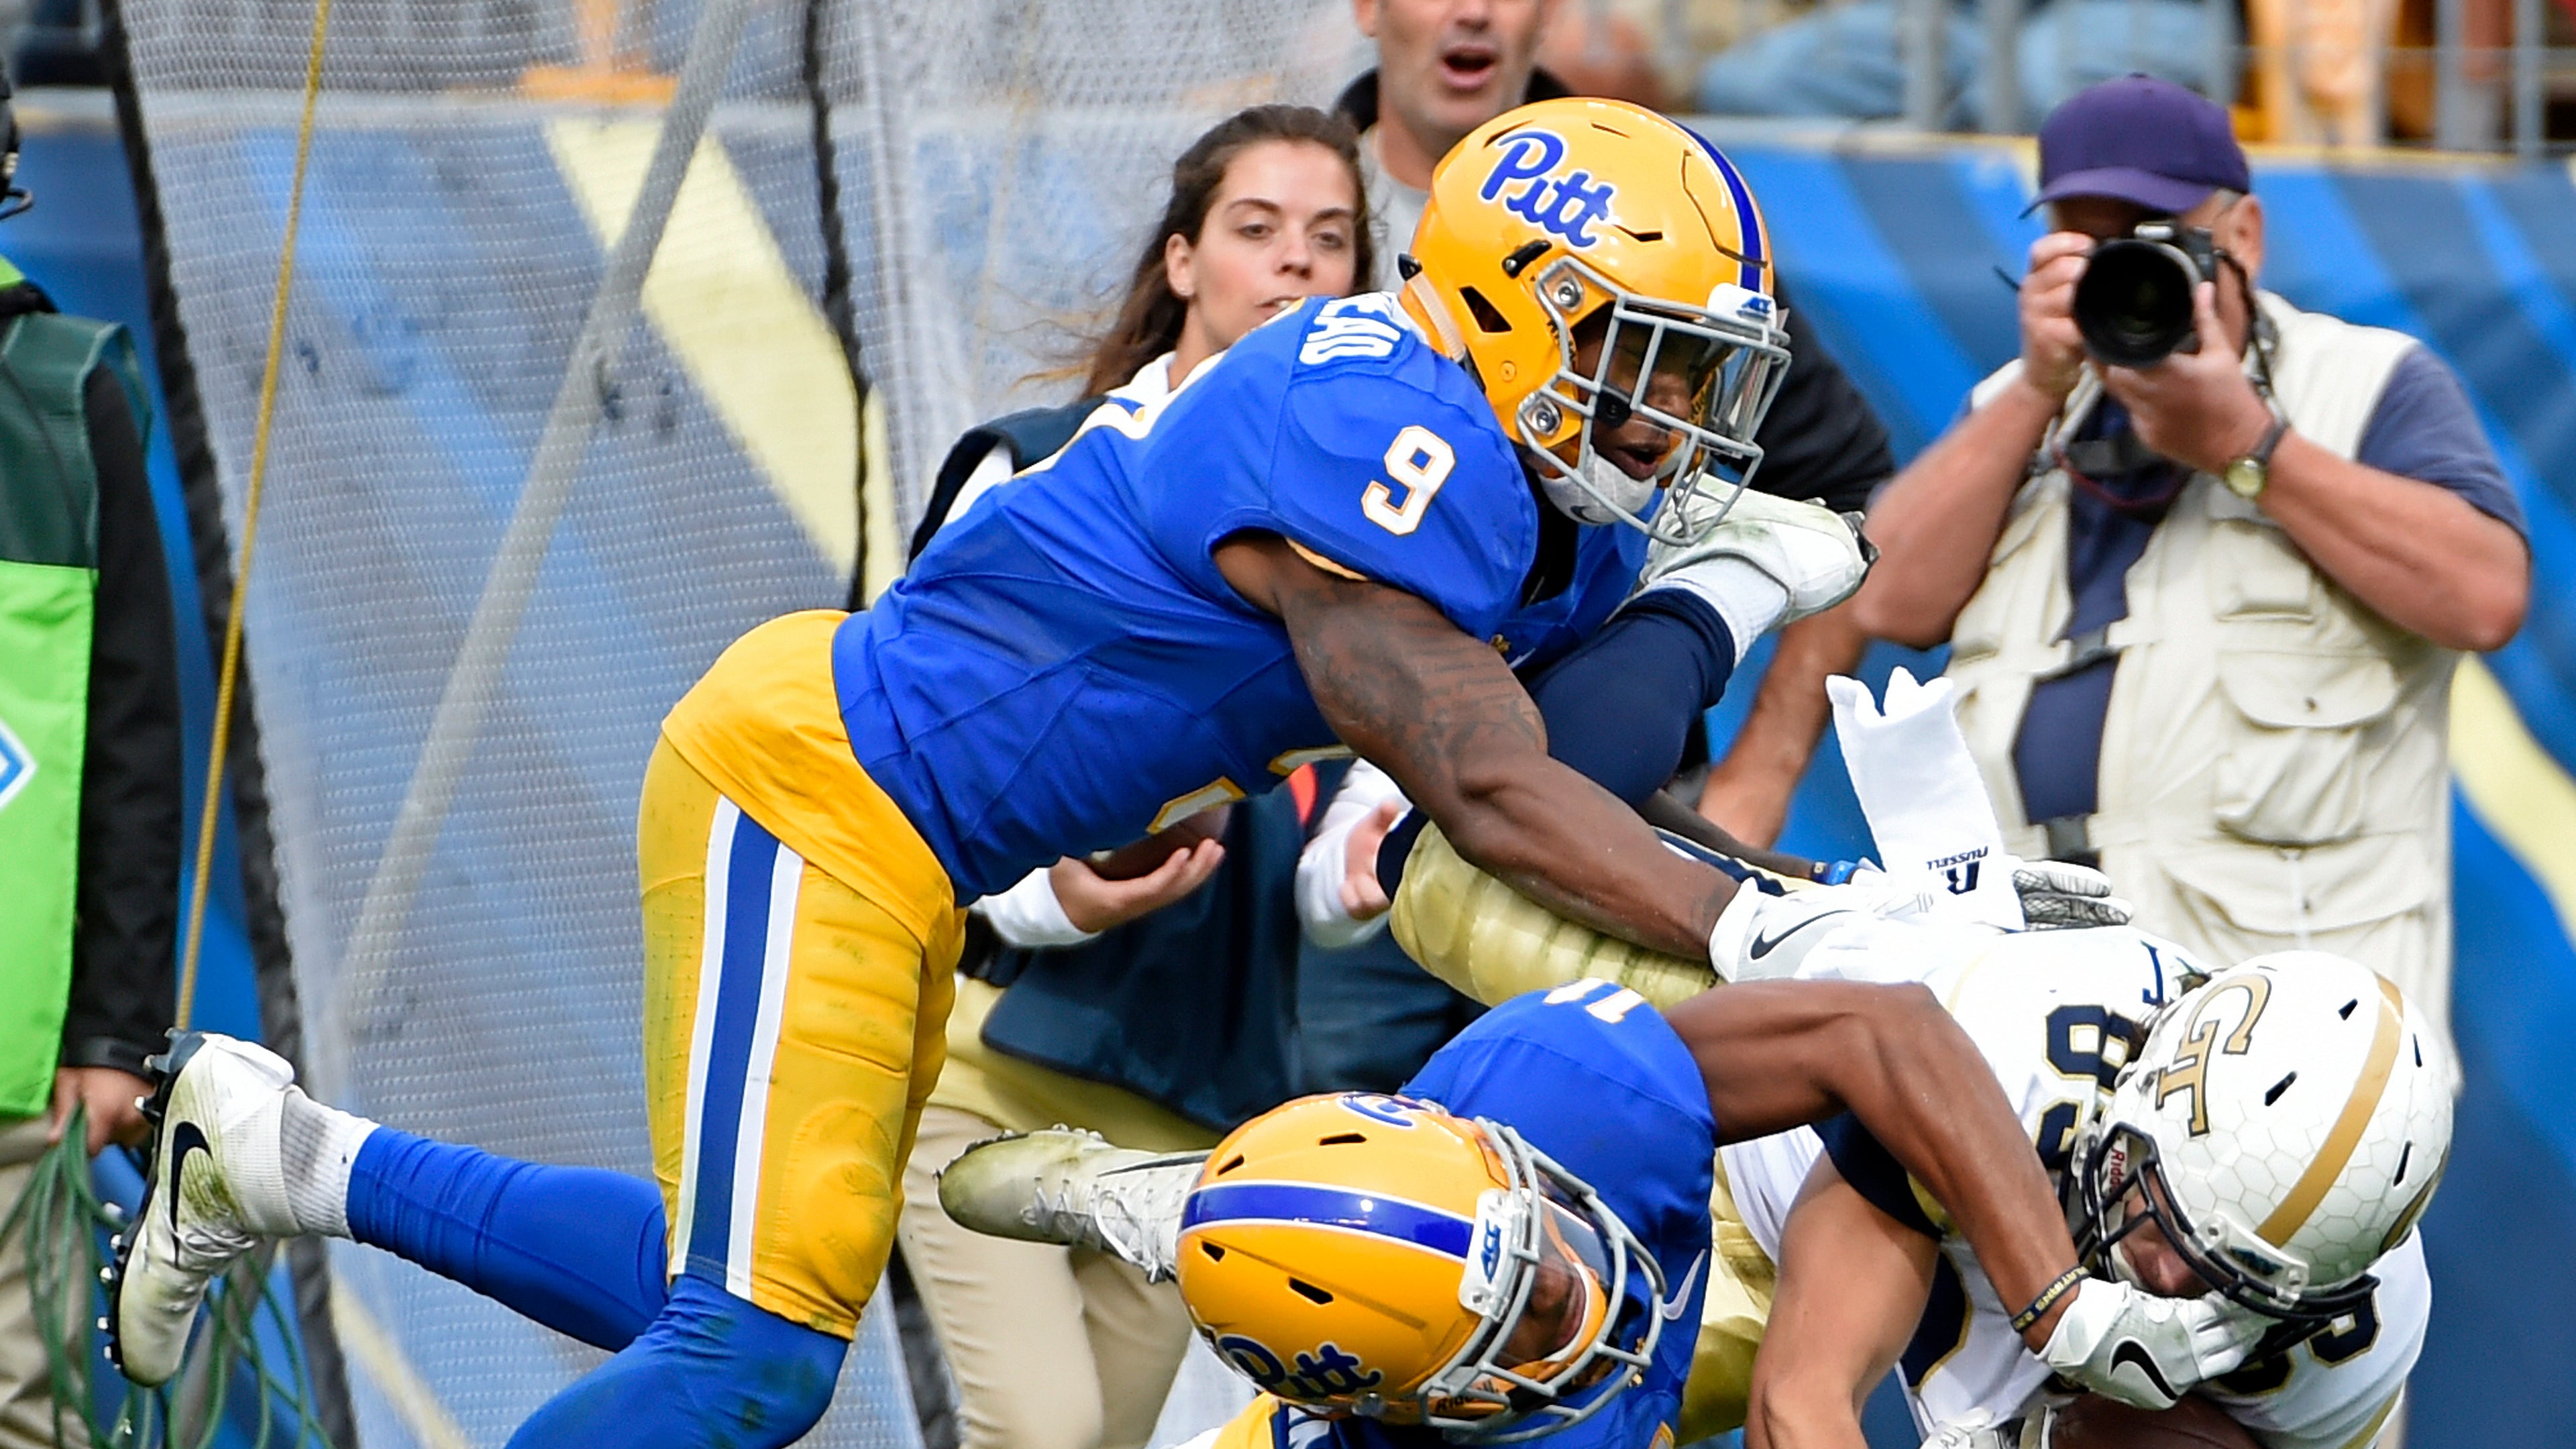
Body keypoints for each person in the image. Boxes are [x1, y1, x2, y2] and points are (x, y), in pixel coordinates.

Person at [111, 96, 1885, 1449]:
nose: (1671, 418)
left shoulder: (1502, 472)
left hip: (915, 851)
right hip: (820, 790)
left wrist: (1707, 625)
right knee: (752, 1355)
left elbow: (1565, 770)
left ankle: (281, 1153)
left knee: (724, 1282)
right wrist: (1749, 930)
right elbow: (1493, 793)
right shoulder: (1374, 417)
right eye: (1642, 358)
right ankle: (281, 1156)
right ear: (1516, 307)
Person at [1850, 74, 2528, 1065]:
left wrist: (2250, 446)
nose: (2126, 269)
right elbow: (1888, 594)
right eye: (2092, 243)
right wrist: (2038, 388)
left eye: (2152, 237)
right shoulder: (2020, 405)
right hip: (2034, 1030)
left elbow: (2486, 593)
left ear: (2243, 234)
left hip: (2296, 1062)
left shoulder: (2369, 382)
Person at [1302, 0, 1894, 1093]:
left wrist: (1765, 806)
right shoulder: (1299, 205)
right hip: (1354, 779)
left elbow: (1846, 488)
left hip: (1545, 761)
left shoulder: (1653, 207)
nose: (1473, 8)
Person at [893, 104, 1372, 1449]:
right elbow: (900, 784)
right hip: (986, 1064)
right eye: (1257, 229)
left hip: (1193, 1102)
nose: (1295, 265)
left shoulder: (1376, 556)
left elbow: (1334, 882)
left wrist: (1395, 853)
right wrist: (1062, 897)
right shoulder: (1029, 471)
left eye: (1331, 241)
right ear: (1180, 263)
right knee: (1040, 1437)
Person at [1745, 945, 2447, 1449]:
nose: (2170, 1279)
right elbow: (1796, 1404)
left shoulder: (2351, 1349)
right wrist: (2062, 1308)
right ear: (2139, 1102)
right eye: (2169, 1221)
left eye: (2232, 1277)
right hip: (1760, 1218)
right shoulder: (2018, 1042)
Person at [0, 69, 181, 1449]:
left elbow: (131, 736)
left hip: (15, 1073)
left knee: (27, 1407)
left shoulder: (63, 402)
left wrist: (111, 1031)